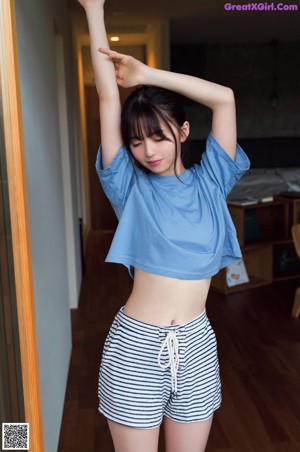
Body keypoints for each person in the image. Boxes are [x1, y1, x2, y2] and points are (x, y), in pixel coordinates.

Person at [77, 1, 250, 451]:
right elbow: (107, 98)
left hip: (196, 346)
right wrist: (94, 11)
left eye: (158, 135)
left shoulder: (213, 180)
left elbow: (224, 98)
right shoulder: (128, 188)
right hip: (136, 348)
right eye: (136, 141)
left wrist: (147, 75)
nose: (148, 150)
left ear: (184, 130)